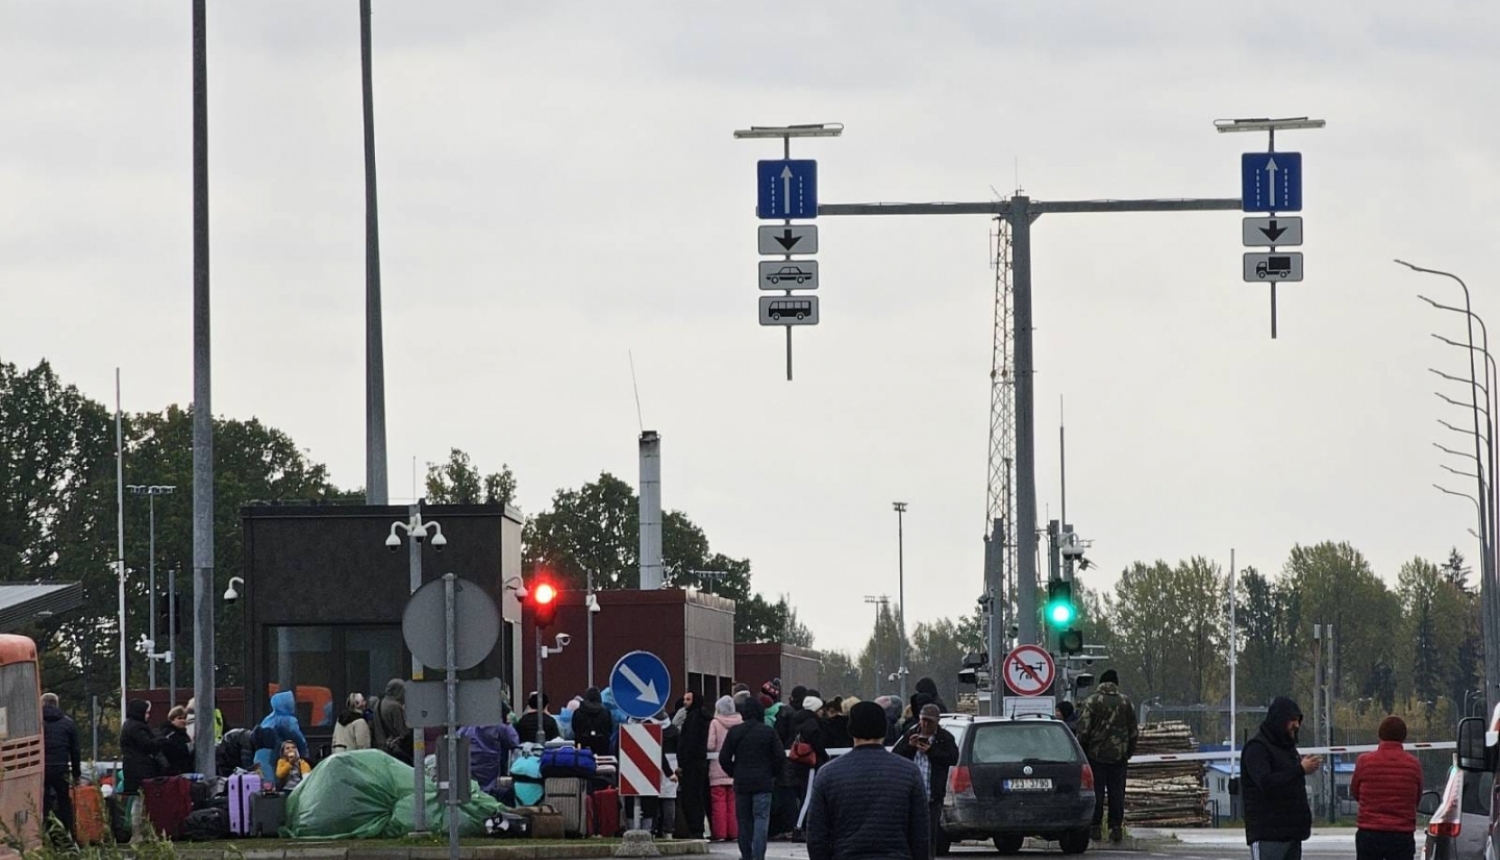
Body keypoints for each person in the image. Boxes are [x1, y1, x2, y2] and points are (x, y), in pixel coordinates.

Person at [806, 700, 928, 860]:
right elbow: (920, 834)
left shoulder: (828, 774)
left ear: (850, 730)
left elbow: (816, 836)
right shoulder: (909, 772)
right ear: (884, 729)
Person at [1242, 697, 1319, 860]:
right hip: (1267, 835)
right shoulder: (1257, 748)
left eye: (1298, 720)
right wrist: (1299, 770)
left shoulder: (1288, 749)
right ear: (1279, 720)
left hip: (1292, 834)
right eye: (1292, 720)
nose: (1296, 725)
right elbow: (1266, 783)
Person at [1074, 668, 1139, 843]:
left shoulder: (1092, 701)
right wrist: (1128, 752)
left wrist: (1083, 751)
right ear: (1116, 683)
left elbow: (1083, 730)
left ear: (1101, 683)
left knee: (1096, 792)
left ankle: (1095, 827)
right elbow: (1133, 731)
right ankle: (1115, 828)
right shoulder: (1126, 702)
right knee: (1117, 793)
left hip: (1095, 755)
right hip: (1119, 756)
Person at [720, 697, 786, 860]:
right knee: (761, 819)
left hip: (742, 782)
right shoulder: (768, 732)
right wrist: (772, 773)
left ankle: (746, 854)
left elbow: (723, 758)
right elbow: (780, 756)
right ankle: (758, 855)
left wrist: (734, 772)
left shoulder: (735, 732)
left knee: (743, 820)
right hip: (763, 782)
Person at [1349, 716, 1422, 860]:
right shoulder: (1413, 764)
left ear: (1380, 734)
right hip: (1401, 834)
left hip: (1369, 831)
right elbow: (1416, 797)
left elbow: (1355, 792)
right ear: (1403, 736)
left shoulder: (1364, 761)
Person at [893, 703, 960, 860]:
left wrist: (931, 751)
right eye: (923, 720)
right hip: (911, 794)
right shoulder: (911, 733)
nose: (925, 725)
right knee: (910, 831)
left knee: (929, 834)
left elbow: (952, 758)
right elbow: (896, 756)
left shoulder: (944, 738)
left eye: (929, 721)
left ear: (937, 722)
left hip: (932, 795)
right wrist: (910, 746)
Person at [119, 699, 168, 841]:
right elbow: (147, 745)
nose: (148, 715)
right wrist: (161, 740)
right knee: (141, 801)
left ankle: (139, 833)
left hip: (133, 768)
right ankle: (139, 833)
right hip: (141, 768)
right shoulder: (137, 728)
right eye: (146, 712)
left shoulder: (129, 725)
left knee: (139, 800)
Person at [787, 694, 828, 840]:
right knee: (808, 797)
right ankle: (798, 828)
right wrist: (825, 757)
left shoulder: (798, 721)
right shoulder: (813, 725)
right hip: (811, 764)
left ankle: (801, 826)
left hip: (801, 764)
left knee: (805, 795)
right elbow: (819, 745)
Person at [41, 692, 81, 842]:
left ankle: (44, 833)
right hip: (61, 767)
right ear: (57, 704)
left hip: (42, 768)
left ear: (42, 704)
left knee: (43, 801)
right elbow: (75, 751)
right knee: (64, 800)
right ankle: (68, 834)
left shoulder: (38, 723)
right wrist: (76, 774)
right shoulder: (68, 723)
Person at [674, 692, 713, 839]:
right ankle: (698, 828)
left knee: (691, 798)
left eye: (688, 699)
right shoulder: (704, 717)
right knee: (698, 796)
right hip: (700, 764)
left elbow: (688, 743)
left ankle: (695, 829)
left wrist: (681, 763)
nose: (685, 702)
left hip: (691, 766)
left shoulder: (693, 719)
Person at [708, 695, 744, 842]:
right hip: (735, 768)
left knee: (718, 803)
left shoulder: (715, 723)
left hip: (717, 768)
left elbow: (710, 745)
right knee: (734, 803)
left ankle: (720, 833)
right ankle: (735, 833)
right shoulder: (740, 722)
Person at [371, 678, 413, 763]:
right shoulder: (395, 706)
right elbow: (402, 731)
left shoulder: (378, 704)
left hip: (381, 747)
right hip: (395, 749)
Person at [258, 690, 309, 759]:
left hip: (259, 757)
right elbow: (299, 739)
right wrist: (305, 755)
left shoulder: (268, 719)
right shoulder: (289, 720)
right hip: (275, 758)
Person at [572, 687, 615, 757]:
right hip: (602, 748)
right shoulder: (606, 713)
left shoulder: (578, 712)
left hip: (582, 748)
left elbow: (575, 728)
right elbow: (610, 729)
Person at [161, 705, 195, 775]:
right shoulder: (169, 733)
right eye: (179, 718)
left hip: (184, 769)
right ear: (172, 720)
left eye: (184, 718)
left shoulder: (182, 733)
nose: (183, 721)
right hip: (175, 770)